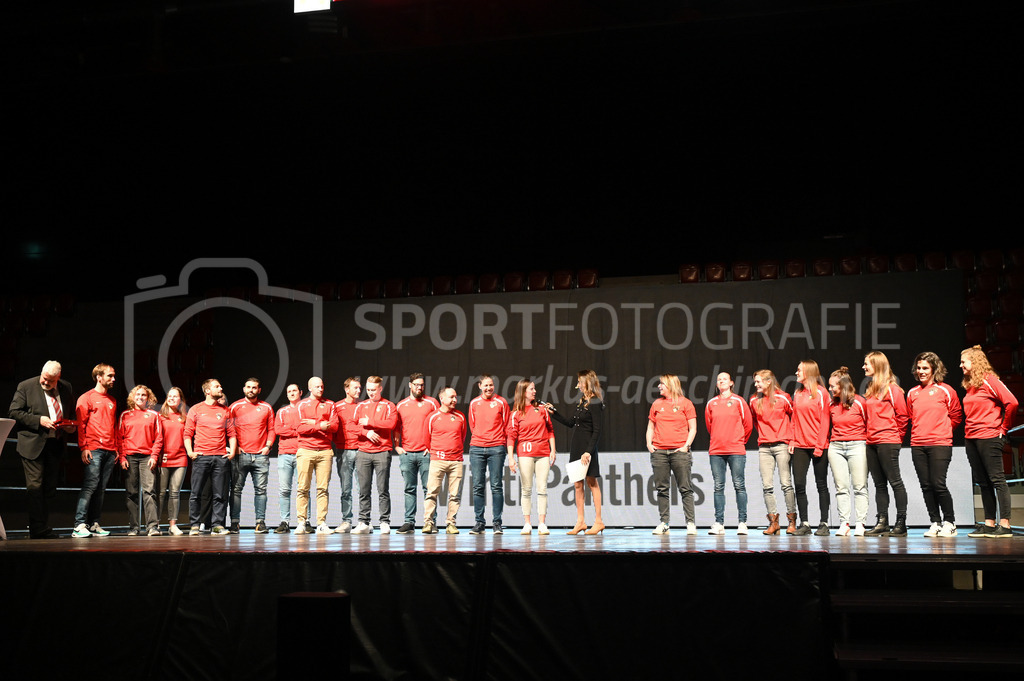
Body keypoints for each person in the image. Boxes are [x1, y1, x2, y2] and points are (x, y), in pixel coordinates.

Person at [8, 360, 75, 539]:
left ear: (58, 378)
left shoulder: (66, 387)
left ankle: (42, 526)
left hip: (55, 444)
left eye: (50, 381)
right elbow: (14, 412)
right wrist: (39, 420)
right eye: (44, 378)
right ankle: (38, 529)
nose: (45, 382)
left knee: (48, 488)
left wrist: (70, 426)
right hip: (33, 444)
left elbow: (69, 412)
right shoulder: (26, 386)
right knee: (35, 487)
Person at [960, 345, 1018, 539]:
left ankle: (1005, 525)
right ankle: (989, 523)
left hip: (990, 436)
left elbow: (1012, 402)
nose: (961, 365)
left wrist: (1004, 428)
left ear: (974, 362)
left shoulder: (990, 380)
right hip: (972, 437)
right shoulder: (971, 385)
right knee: (983, 482)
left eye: (964, 362)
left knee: (997, 480)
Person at [907, 352, 963, 537]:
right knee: (926, 485)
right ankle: (935, 522)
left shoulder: (946, 390)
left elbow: (956, 416)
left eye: (925, 368)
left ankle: (950, 522)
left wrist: (943, 430)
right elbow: (911, 417)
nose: (921, 371)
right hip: (918, 444)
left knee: (938, 483)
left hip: (940, 443)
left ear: (934, 369)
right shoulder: (912, 393)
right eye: (919, 368)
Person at [547, 369, 605, 535]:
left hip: (587, 449)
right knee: (578, 484)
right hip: (576, 446)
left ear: (587, 382)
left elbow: (597, 430)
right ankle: (580, 521)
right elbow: (571, 422)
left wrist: (588, 451)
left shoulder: (594, 402)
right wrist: (555, 413)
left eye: (580, 382)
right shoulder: (583, 401)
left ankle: (598, 521)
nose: (577, 385)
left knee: (592, 482)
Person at [862, 351, 910, 537]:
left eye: (867, 363)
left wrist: (896, 438)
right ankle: (882, 522)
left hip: (888, 441)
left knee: (895, 481)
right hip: (872, 441)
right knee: (879, 484)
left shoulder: (893, 389)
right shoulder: (870, 387)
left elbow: (903, 416)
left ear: (877, 365)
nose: (864, 367)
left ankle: (901, 523)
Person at [185, 378, 238, 536]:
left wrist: (233, 451)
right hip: (201, 456)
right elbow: (187, 433)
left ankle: (217, 525)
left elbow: (232, 433)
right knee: (196, 493)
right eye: (217, 386)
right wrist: (190, 452)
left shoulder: (226, 411)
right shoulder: (195, 409)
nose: (220, 388)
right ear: (207, 391)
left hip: (220, 457)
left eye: (220, 385)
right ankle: (194, 524)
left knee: (220, 494)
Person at [71, 363, 119, 538]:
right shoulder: (86, 398)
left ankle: (93, 523)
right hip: (94, 448)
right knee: (90, 486)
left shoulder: (112, 400)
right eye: (109, 376)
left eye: (114, 376)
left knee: (101, 488)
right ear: (99, 377)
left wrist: (116, 448)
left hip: (109, 449)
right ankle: (79, 525)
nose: (113, 379)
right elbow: (81, 424)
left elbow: (114, 426)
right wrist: (84, 447)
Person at [647, 374, 698, 536]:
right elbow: (650, 427)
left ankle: (690, 523)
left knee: (686, 488)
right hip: (659, 452)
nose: (659, 387)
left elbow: (693, 428)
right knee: (662, 489)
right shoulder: (656, 404)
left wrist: (686, 446)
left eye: (661, 384)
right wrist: (649, 444)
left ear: (670, 385)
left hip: (679, 452)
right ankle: (664, 523)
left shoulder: (686, 403)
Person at [704, 372, 752, 536]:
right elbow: (710, 426)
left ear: (731, 383)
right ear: (716, 384)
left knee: (739, 485)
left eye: (724, 378)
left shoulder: (739, 401)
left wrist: (739, 441)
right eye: (718, 379)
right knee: (718, 486)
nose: (721, 381)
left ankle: (742, 522)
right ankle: (719, 523)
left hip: (736, 450)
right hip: (716, 451)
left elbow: (748, 425)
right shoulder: (711, 403)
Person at [507, 380, 556, 535]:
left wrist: (552, 450)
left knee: (542, 489)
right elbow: (511, 437)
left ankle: (542, 523)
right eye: (531, 389)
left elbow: (550, 430)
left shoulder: (541, 409)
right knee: (526, 489)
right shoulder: (515, 413)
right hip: (525, 454)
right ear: (523, 392)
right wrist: (511, 458)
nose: (534, 392)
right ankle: (527, 524)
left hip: (542, 453)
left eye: (535, 389)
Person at [228, 377, 276, 534]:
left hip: (260, 456)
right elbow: (229, 430)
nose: (251, 390)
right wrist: (235, 448)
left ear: (259, 390)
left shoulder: (266, 407)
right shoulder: (235, 406)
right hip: (240, 455)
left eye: (254, 387)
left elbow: (272, 429)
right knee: (236, 490)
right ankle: (235, 523)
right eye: (248, 387)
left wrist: (268, 446)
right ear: (244, 389)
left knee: (261, 490)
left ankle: (260, 522)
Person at [789, 361, 831, 536]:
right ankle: (804, 523)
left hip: (818, 445)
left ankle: (824, 523)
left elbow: (825, 420)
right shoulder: (798, 393)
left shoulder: (821, 393)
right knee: (799, 484)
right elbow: (794, 418)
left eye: (799, 370)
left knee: (821, 484)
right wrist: (792, 439)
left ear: (809, 372)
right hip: (799, 445)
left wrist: (820, 445)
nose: (796, 372)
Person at [751, 369, 795, 535]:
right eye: (755, 382)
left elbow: (795, 418)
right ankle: (774, 522)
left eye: (758, 382)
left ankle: (792, 522)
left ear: (768, 381)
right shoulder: (754, 400)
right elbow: (755, 421)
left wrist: (791, 439)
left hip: (782, 445)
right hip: (764, 447)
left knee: (786, 484)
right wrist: (764, 435)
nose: (756, 385)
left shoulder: (783, 397)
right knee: (767, 486)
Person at [395, 372, 440, 534]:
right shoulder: (401, 405)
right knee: (409, 488)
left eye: (422, 385)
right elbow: (396, 428)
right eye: (416, 385)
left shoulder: (432, 403)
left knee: (430, 489)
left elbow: (439, 426)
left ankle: (431, 522)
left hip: (426, 454)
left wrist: (433, 446)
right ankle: (409, 522)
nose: (419, 387)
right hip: (407, 454)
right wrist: (397, 446)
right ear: (410, 385)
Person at [352, 375, 397, 534]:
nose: (370, 393)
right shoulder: (361, 406)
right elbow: (352, 426)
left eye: (373, 390)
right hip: (363, 452)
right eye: (368, 390)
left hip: (382, 452)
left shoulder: (389, 405)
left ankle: (384, 521)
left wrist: (370, 422)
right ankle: (364, 522)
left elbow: (391, 424)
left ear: (380, 388)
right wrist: (366, 432)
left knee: (382, 489)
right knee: (364, 490)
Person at [827, 368, 869, 536]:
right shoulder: (832, 405)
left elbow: (868, 423)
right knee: (841, 487)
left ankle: (860, 524)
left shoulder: (859, 402)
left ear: (843, 385)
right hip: (836, 447)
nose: (830, 389)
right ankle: (844, 524)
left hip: (857, 445)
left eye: (833, 386)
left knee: (859, 486)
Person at [295, 376, 339, 535]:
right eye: (317, 387)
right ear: (310, 388)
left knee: (323, 488)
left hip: (325, 451)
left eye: (322, 386)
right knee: (303, 488)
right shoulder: (302, 405)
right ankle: (301, 521)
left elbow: (334, 426)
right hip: (306, 450)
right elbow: (299, 428)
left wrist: (312, 423)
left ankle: (321, 523)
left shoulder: (330, 404)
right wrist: (319, 425)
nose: (320, 389)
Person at [118, 385, 163, 536]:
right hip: (130, 457)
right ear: (133, 397)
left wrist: (154, 456)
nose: (140, 397)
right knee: (131, 492)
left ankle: (152, 527)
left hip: (147, 457)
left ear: (148, 398)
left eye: (144, 395)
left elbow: (158, 438)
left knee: (150, 492)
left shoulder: (154, 415)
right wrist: (122, 456)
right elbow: (120, 438)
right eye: (138, 395)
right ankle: (134, 527)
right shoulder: (125, 415)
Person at [468, 375, 510, 535]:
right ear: (479, 386)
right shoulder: (474, 403)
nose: (488, 388)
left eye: (491, 385)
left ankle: (497, 523)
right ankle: (479, 523)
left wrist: (499, 443)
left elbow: (506, 425)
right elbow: (473, 426)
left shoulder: (501, 402)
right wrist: (481, 439)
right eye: (485, 385)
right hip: (477, 448)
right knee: (478, 486)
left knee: (496, 486)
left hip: (496, 448)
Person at [423, 387, 467, 534]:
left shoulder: (460, 416)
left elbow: (462, 436)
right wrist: (438, 453)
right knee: (431, 492)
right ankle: (428, 523)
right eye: (451, 397)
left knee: (455, 495)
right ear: (442, 399)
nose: (455, 400)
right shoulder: (432, 417)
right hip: (437, 460)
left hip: (456, 461)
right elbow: (426, 439)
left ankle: (451, 523)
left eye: (455, 397)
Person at [274, 383, 306, 533]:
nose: (292, 393)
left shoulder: (305, 409)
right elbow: (279, 429)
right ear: (287, 395)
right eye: (289, 391)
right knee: (284, 490)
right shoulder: (282, 411)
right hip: (285, 454)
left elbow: (307, 429)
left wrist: (292, 430)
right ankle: (284, 521)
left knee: (303, 489)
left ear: (300, 392)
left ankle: (305, 521)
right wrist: (297, 429)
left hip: (302, 453)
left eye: (294, 391)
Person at [332, 377, 362, 533]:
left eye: (359, 388)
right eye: (355, 388)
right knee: (346, 489)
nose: (358, 390)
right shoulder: (337, 407)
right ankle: (347, 521)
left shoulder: (362, 406)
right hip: (343, 451)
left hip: (361, 451)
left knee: (363, 489)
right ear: (347, 389)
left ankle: (364, 521)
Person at [157, 387, 188, 536]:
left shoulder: (185, 418)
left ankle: (172, 525)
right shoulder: (160, 417)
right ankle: (155, 524)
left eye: (175, 396)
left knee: (175, 492)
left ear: (180, 399)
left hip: (180, 458)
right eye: (169, 396)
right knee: (161, 493)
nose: (172, 398)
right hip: (163, 458)